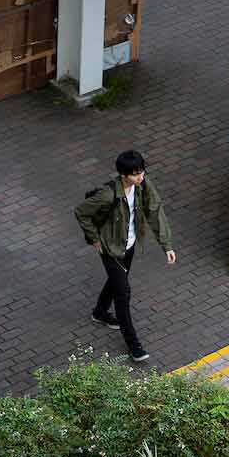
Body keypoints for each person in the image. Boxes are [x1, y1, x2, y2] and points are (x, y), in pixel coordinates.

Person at [74, 150, 175, 362]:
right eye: (136, 174)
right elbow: (81, 212)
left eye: (142, 171)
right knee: (123, 293)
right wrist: (93, 238)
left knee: (117, 281)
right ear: (123, 175)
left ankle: (100, 312)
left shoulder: (142, 186)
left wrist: (166, 245)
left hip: (128, 246)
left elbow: (155, 211)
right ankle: (134, 345)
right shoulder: (107, 194)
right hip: (110, 249)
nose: (141, 177)